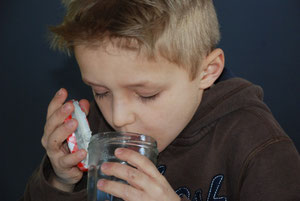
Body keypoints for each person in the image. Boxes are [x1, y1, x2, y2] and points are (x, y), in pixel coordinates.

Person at [20, 0, 300, 201]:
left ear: (207, 71)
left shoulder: (257, 145)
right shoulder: (97, 130)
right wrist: (60, 181)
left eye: (146, 95)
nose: (118, 118)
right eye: (100, 91)